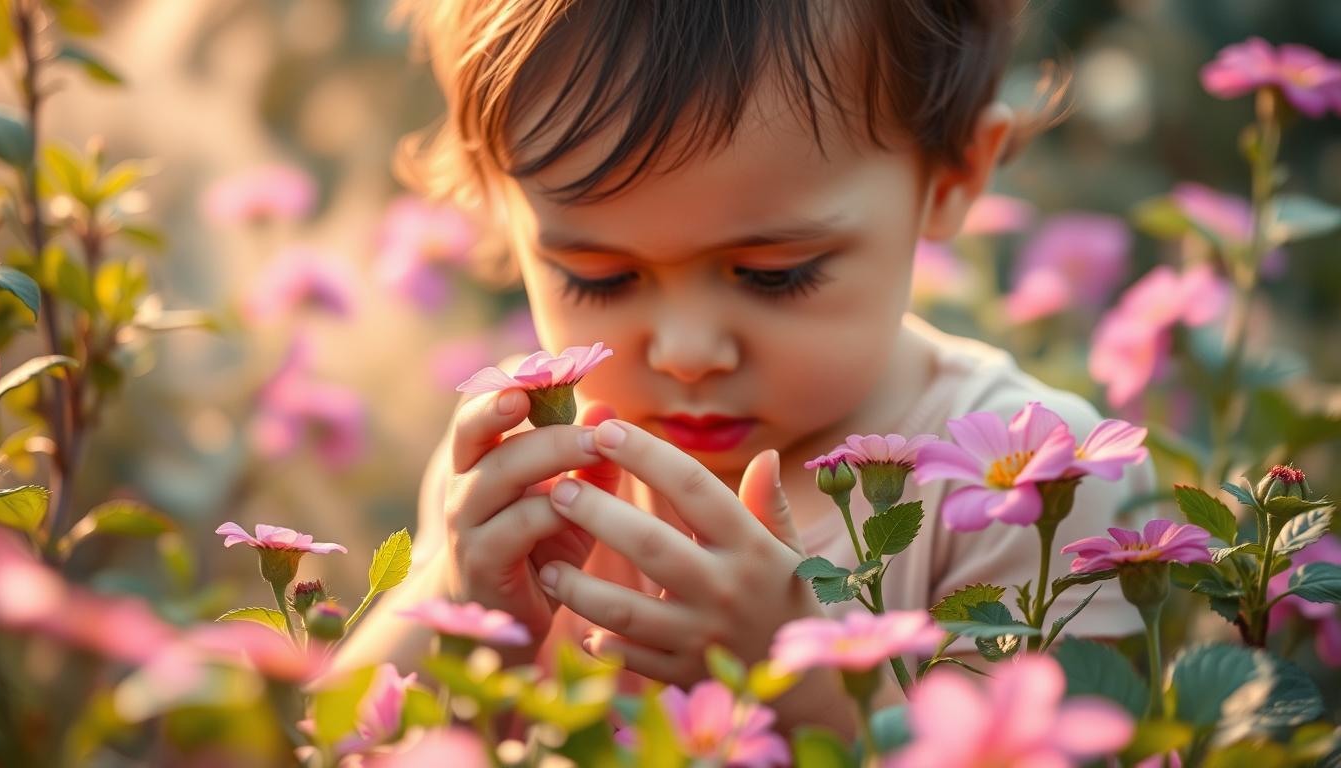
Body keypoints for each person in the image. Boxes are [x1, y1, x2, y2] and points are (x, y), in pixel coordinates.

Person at [333, 0, 1155, 737]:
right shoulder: (523, 468)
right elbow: (327, 742)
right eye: (599, 277)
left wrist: (815, 695)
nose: (688, 355)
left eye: (774, 273)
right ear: (498, 203)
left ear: (953, 175)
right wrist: (466, 609)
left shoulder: (1038, 482)